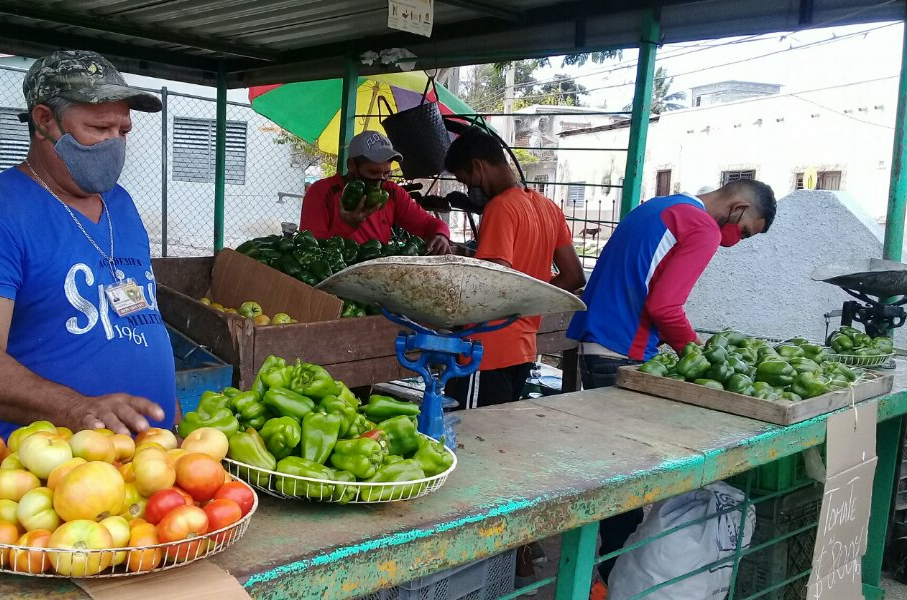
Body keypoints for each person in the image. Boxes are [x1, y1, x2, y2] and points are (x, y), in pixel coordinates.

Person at [0, 50, 176, 439]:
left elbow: (138, 313)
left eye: (123, 131)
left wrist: (169, 406)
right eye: (99, 129)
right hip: (49, 468)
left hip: (150, 458)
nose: (115, 144)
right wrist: (77, 409)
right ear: (44, 120)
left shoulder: (122, 204)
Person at [566, 178, 776, 581]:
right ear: (738, 207)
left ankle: (598, 577)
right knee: (624, 486)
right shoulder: (702, 228)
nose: (737, 240)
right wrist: (699, 356)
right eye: (745, 231)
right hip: (620, 354)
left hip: (596, 346)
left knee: (607, 469)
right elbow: (666, 305)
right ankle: (609, 581)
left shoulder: (661, 206)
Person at [442, 130, 585, 409]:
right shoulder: (548, 209)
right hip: (522, 348)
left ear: (478, 167)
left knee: (468, 434)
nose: (468, 189)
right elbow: (573, 276)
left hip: (486, 349)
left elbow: (494, 279)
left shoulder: (500, 207)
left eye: (465, 180)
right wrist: (528, 302)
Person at [300, 131, 453, 254]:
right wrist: (346, 226)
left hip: (376, 274)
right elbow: (309, 247)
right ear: (351, 165)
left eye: (386, 174)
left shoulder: (391, 192)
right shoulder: (322, 192)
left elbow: (428, 223)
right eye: (373, 173)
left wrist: (441, 235)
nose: (380, 181)